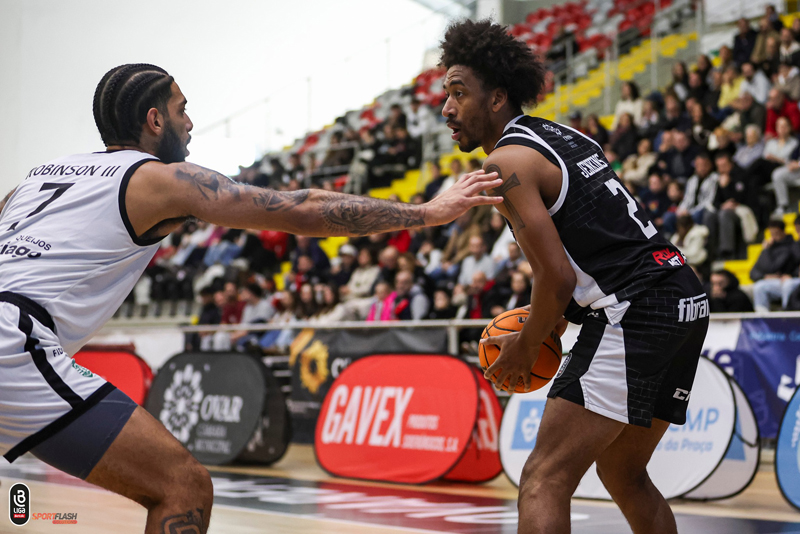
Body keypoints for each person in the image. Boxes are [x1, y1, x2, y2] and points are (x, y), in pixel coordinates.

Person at [0, 63, 502, 534]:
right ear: (154, 120)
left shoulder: (36, 178)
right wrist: (425, 213)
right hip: (13, 341)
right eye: (181, 110)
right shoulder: (158, 178)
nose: (189, 123)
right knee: (183, 487)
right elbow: (299, 208)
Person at [440, 20, 708, 534]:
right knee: (623, 472)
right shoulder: (564, 135)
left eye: (458, 92)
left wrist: (527, 344)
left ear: (497, 98)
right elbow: (595, 242)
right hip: (683, 296)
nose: (447, 108)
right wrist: (555, 319)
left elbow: (557, 278)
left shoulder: (504, 162)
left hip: (634, 307)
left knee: (543, 477)